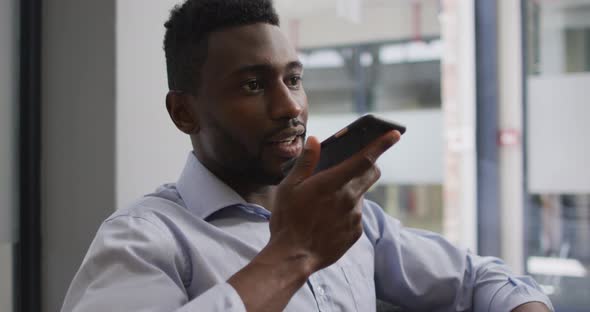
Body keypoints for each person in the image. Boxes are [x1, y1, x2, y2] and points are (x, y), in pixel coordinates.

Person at [61, 0, 553, 311]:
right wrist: (295, 253)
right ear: (184, 112)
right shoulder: (143, 239)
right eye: (253, 85)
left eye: (293, 79)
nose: (290, 106)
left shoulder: (349, 219)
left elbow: (484, 279)